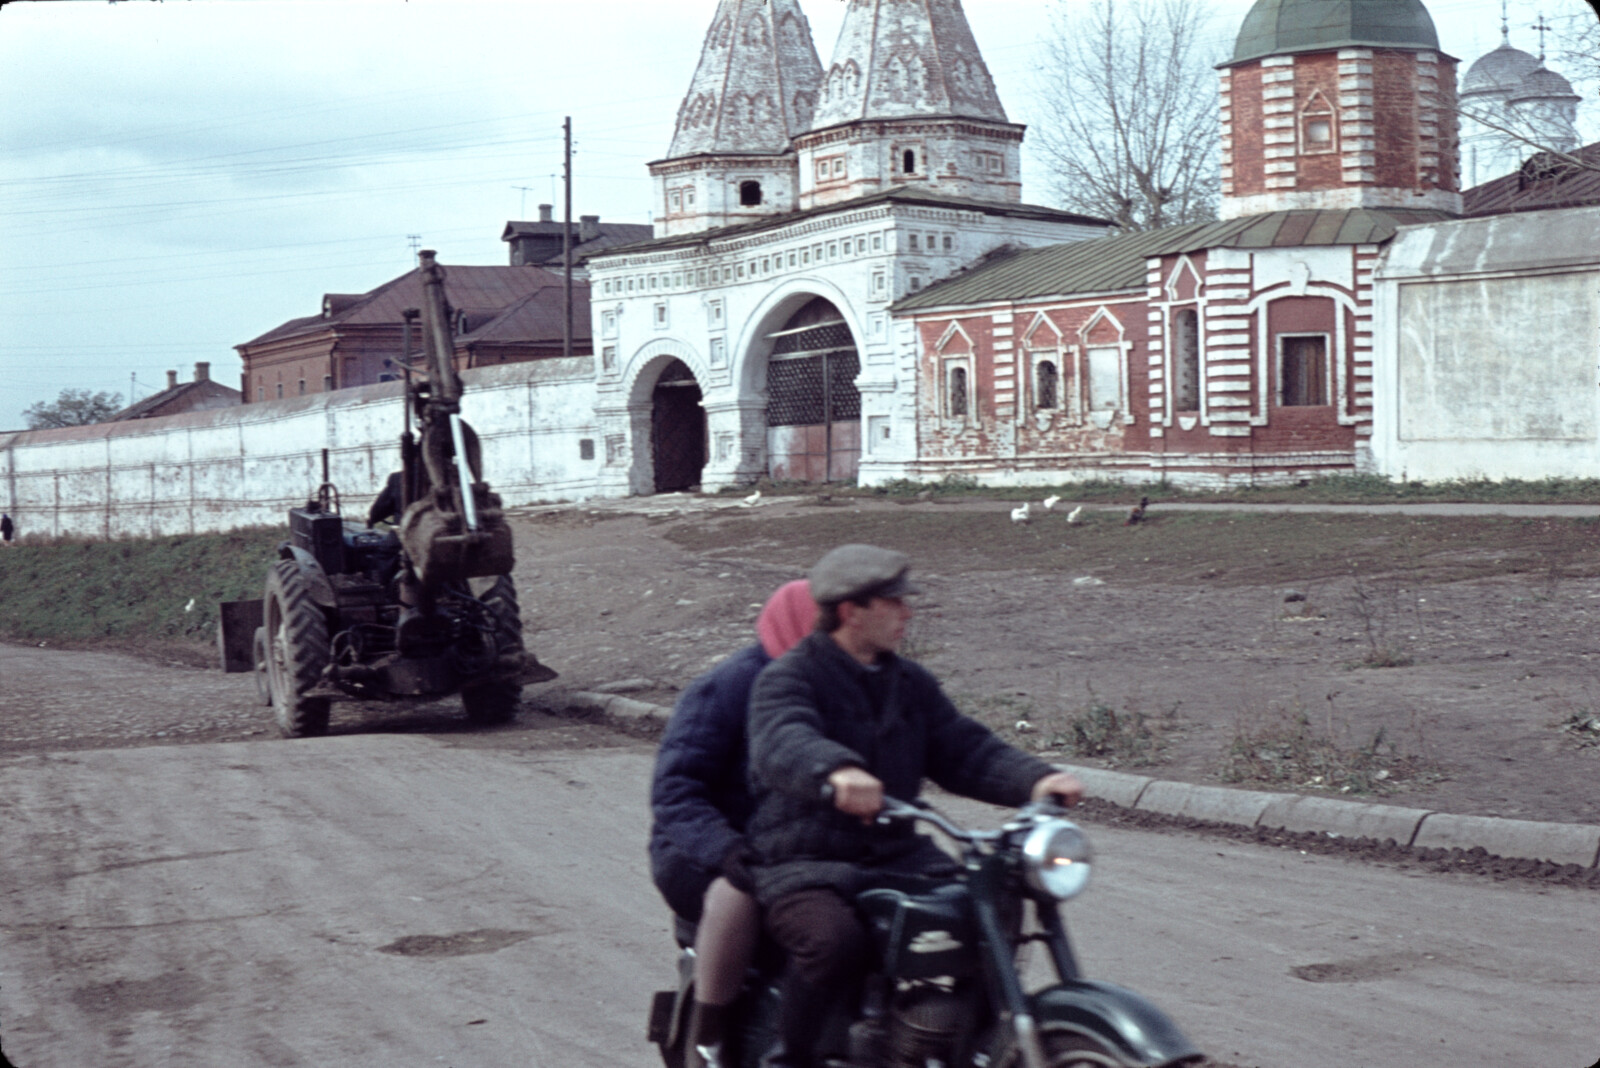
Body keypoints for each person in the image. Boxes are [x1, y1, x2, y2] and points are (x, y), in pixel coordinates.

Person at [745, 544, 1084, 1068]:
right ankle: (788, 1058)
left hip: (894, 851)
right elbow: (783, 739)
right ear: (850, 610)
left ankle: (956, 1038)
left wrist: (1036, 780)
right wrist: (836, 771)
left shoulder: (909, 683)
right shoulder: (789, 677)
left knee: (985, 906)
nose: (908, 612)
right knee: (833, 942)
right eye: (894, 602)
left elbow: (963, 748)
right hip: (804, 859)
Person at [649, 578, 819, 1068]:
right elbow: (676, 791)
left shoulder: (840, 688)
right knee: (740, 893)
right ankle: (711, 1039)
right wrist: (725, 849)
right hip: (700, 851)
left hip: (795, 849)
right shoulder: (729, 686)